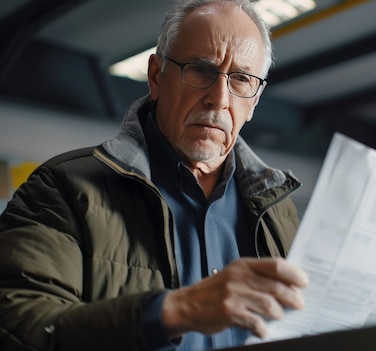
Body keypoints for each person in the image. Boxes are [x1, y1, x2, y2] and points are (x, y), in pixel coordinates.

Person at [0, 0, 309, 350]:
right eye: (200, 69)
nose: (219, 98)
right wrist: (173, 312)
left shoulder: (279, 212)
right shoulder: (63, 189)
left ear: (255, 100)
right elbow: (17, 327)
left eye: (241, 79)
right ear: (156, 76)